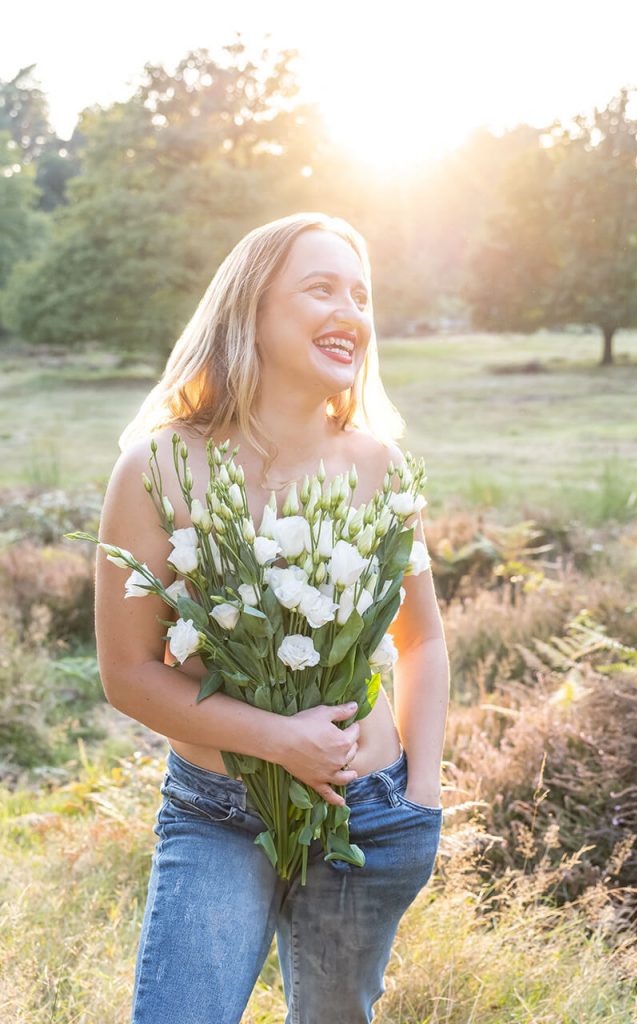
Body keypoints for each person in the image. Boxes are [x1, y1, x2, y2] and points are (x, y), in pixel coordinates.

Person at [95, 211, 449, 1023]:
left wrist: (422, 794)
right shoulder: (158, 468)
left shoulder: (377, 466)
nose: (351, 313)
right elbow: (128, 673)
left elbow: (421, 637)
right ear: (249, 309)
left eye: (360, 296)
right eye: (320, 288)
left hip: (366, 809)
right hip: (218, 811)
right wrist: (277, 740)